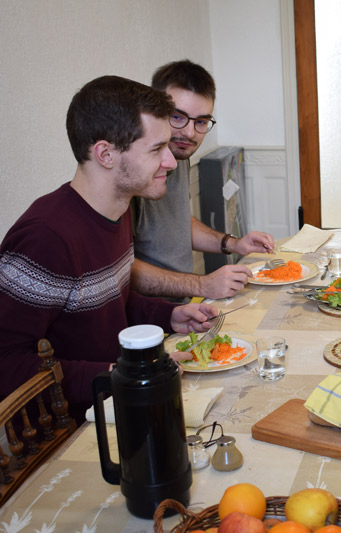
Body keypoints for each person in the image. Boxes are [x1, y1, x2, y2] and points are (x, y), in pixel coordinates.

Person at [0, 75, 218, 420]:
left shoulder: (118, 209)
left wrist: (167, 315)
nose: (171, 162)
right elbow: (6, 362)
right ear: (105, 154)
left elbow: (110, 300)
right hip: (73, 429)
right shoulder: (46, 236)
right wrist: (121, 376)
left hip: (117, 400)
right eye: (156, 149)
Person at [131, 59, 275, 300]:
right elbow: (123, 268)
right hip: (147, 324)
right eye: (177, 117)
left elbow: (178, 222)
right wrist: (202, 286)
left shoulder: (180, 156)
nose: (189, 133)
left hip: (181, 308)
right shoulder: (133, 171)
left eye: (200, 122)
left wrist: (234, 244)